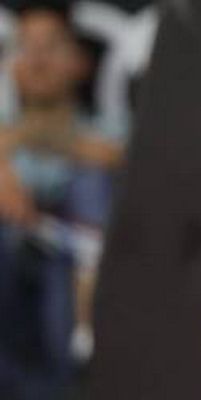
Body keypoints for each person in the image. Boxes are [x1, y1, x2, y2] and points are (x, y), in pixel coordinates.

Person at [0, 3, 124, 399]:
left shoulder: (106, 128)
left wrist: (37, 137)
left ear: (80, 63)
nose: (36, 60)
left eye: (51, 46)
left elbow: (120, 155)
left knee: (90, 186)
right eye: (25, 47)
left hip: (76, 276)